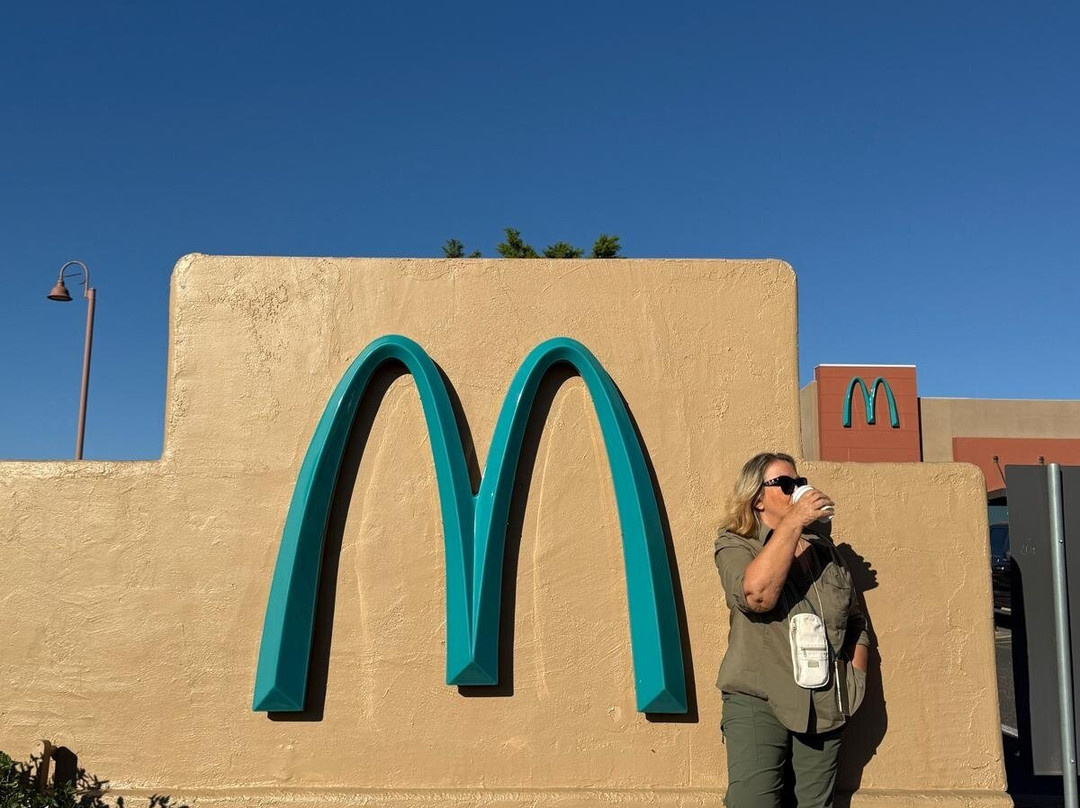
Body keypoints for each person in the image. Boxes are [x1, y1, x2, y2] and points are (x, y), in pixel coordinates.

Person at [714, 452, 871, 808]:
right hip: (759, 698)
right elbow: (757, 597)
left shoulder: (824, 551)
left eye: (798, 483)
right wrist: (795, 520)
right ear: (757, 497)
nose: (796, 490)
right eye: (785, 485)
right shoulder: (736, 543)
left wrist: (855, 677)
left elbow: (855, 621)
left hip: (825, 702)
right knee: (752, 802)